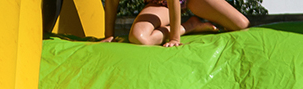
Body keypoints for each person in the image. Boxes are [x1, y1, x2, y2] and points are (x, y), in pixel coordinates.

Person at [102, 0, 249, 47]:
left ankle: (190, 23)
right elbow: (111, 2)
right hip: (161, 4)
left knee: (241, 24)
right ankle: (191, 25)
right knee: (139, 37)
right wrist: (109, 35)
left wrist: (174, 38)